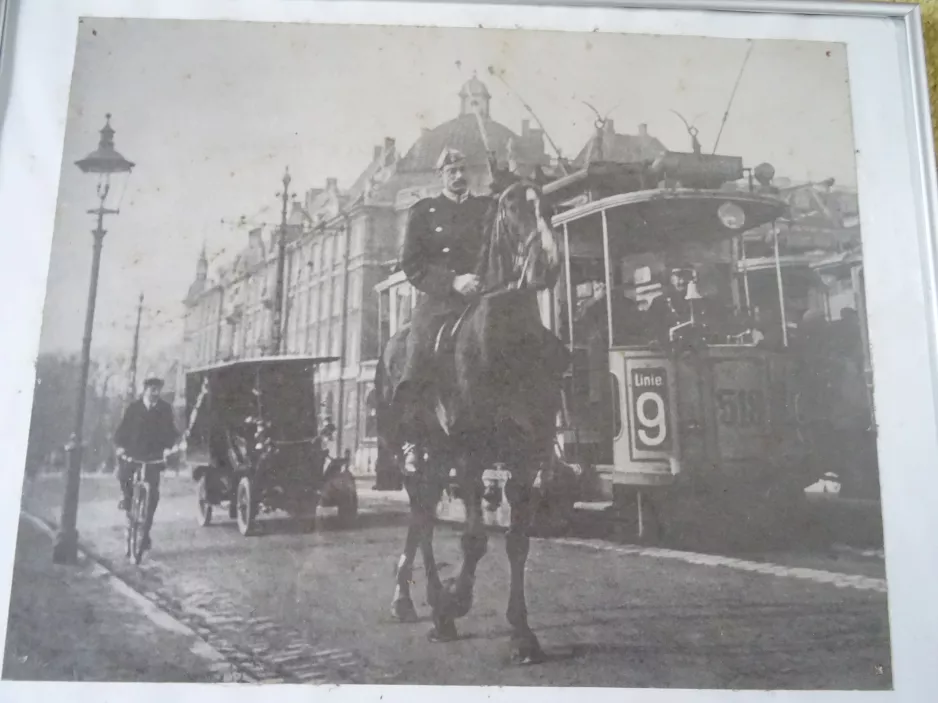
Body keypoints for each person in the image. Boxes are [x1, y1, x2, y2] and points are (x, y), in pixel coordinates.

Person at [395, 147, 496, 473]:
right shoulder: (424, 212)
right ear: (441, 175)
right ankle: (412, 436)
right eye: (451, 170)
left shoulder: (485, 209)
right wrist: (452, 281)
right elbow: (412, 264)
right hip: (440, 301)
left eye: (463, 169)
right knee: (417, 348)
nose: (459, 176)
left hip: (482, 297)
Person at [113, 377, 179, 551]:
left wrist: (169, 448)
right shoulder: (134, 409)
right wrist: (120, 447)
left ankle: (145, 531)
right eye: (152, 389)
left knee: (153, 494)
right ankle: (127, 501)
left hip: (153, 456)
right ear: (145, 390)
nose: (155, 393)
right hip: (133, 453)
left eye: (158, 389)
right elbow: (122, 430)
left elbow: (171, 432)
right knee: (124, 476)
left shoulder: (165, 409)